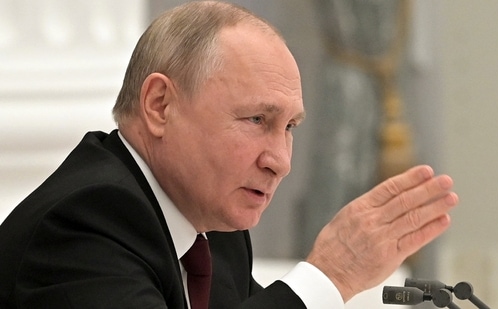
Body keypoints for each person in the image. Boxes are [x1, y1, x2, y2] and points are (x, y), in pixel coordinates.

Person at [0, 1, 458, 308]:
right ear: (160, 105)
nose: (280, 160)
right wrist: (329, 276)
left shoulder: (213, 230)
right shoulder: (84, 222)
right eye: (257, 120)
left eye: (290, 128)